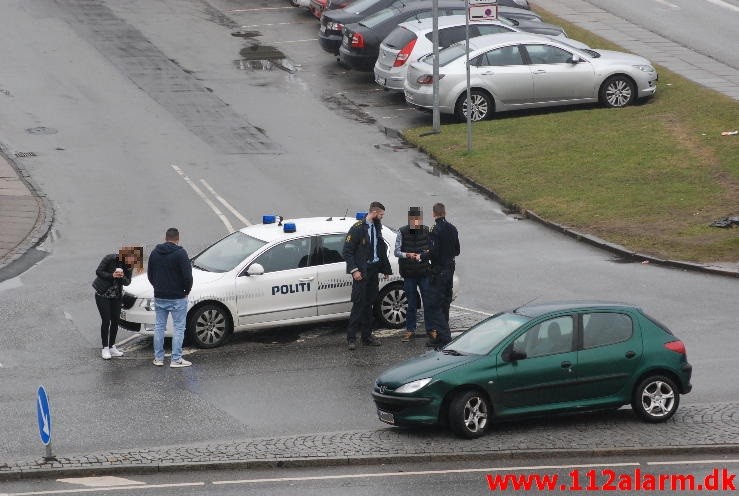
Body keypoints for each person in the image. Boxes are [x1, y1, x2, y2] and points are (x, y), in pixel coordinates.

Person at [342, 201, 393, 350]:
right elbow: (347, 251)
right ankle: (351, 338)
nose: (382, 218)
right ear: (375, 213)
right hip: (362, 272)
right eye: (381, 215)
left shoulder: (377, 226)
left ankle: (367, 336)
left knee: (369, 304)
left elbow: (380, 248)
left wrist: (385, 269)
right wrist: (354, 270)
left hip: (373, 269)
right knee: (358, 304)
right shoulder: (358, 228)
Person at [147, 228, 193, 368]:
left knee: (159, 327)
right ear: (178, 239)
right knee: (179, 328)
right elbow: (187, 276)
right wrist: (186, 290)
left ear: (165, 238)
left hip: (160, 296)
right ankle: (176, 359)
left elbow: (150, 274)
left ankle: (158, 358)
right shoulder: (180, 253)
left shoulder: (155, 253)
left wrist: (157, 287)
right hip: (177, 297)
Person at [92, 246, 144, 360]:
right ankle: (105, 348)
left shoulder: (129, 267)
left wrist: (122, 277)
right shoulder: (110, 258)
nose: (132, 262)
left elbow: (127, 282)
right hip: (102, 295)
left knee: (115, 321)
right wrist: (112, 275)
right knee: (106, 320)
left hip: (116, 296)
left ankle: (112, 346)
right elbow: (98, 271)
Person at [421, 203, 460, 348]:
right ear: (445, 212)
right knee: (445, 304)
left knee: (433, 305)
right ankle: (441, 336)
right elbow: (457, 250)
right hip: (450, 270)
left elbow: (433, 252)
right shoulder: (453, 228)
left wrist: (422, 256)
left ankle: (445, 337)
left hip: (439, 272)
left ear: (434, 214)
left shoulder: (435, 229)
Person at [394, 207, 432, 343]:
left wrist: (427, 251)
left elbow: (432, 248)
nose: (416, 223)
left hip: (424, 272)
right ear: (410, 220)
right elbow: (396, 251)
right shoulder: (402, 231)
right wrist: (407, 255)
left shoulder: (427, 230)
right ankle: (410, 330)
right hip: (409, 273)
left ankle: (431, 329)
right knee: (411, 303)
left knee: (428, 302)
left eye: (418, 220)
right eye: (414, 220)